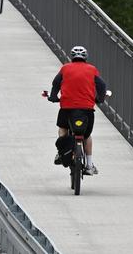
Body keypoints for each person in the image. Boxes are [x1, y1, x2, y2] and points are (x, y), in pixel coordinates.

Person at [48, 45, 107, 176]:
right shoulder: (92, 69)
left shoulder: (65, 68)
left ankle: (60, 153)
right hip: (87, 108)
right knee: (86, 135)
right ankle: (89, 165)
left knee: (63, 128)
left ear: (71, 57)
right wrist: (100, 98)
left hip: (67, 107)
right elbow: (102, 85)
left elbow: (56, 83)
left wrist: (53, 96)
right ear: (85, 57)